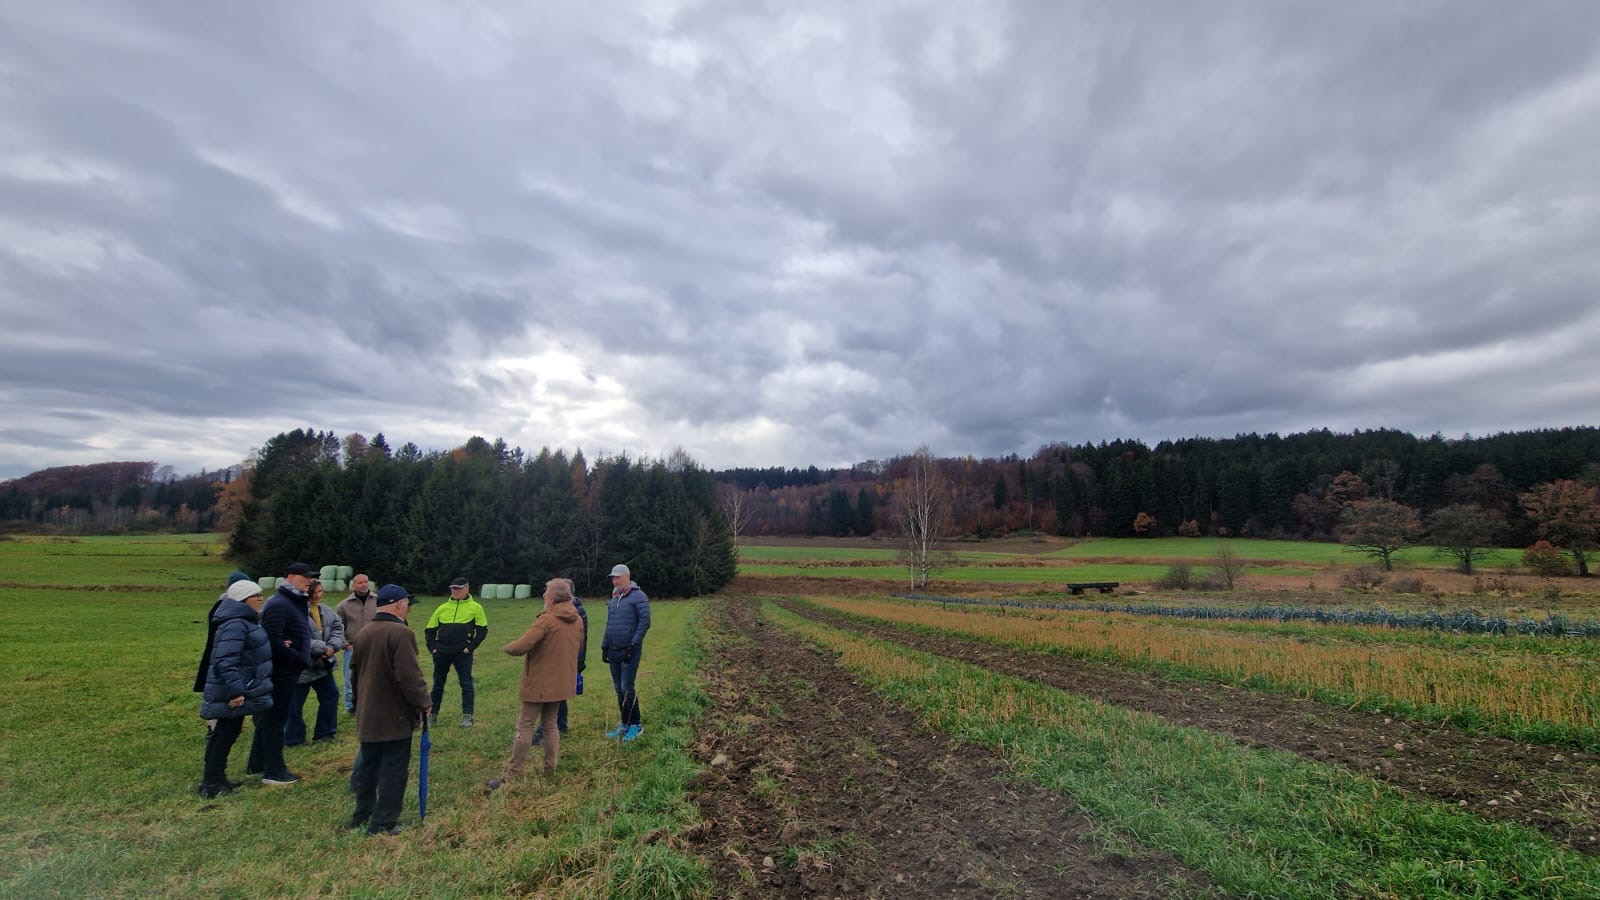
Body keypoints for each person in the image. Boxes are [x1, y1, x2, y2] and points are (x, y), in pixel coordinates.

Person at [485, 578, 584, 792]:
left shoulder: (547, 620)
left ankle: (513, 775)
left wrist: (507, 647)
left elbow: (522, 646)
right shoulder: (577, 619)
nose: (543, 596)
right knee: (550, 724)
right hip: (561, 683)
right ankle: (550, 768)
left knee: (525, 725)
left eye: (545, 592)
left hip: (539, 683)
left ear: (551, 597)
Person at [350, 584, 431, 837]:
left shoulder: (364, 632)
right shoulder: (400, 633)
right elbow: (408, 676)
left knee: (368, 766)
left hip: (368, 712)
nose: (408, 608)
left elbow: (354, 673)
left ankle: (362, 813)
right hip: (393, 714)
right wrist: (424, 702)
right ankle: (384, 822)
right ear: (398, 604)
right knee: (393, 768)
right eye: (407, 603)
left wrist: (356, 703)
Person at [197, 580, 273, 798]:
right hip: (231, 690)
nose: (261, 598)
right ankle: (211, 783)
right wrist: (236, 691)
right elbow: (225, 660)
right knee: (223, 734)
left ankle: (218, 778)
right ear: (242, 599)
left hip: (238, 686)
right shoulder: (236, 624)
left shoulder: (243, 621)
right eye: (255, 595)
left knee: (228, 733)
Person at [247, 561, 316, 785]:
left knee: (270, 717)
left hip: (289, 668)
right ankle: (274, 771)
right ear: (289, 577)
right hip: (282, 670)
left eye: (311, 577)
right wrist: (298, 658)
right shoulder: (279, 603)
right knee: (275, 719)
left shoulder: (294, 601)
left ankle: (256, 763)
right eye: (304, 576)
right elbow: (273, 639)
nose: (309, 580)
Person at [286, 580, 345, 745]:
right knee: (294, 704)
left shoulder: (325, 609)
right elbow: (297, 635)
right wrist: (322, 648)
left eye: (320, 591)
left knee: (331, 696)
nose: (318, 595)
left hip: (322, 665)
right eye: (315, 592)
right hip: (301, 666)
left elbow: (337, 627)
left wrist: (333, 646)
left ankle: (325, 733)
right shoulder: (295, 611)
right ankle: (293, 738)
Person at [425, 577, 488, 727]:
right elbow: (429, 630)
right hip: (441, 651)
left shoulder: (476, 607)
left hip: (462, 652)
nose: (455, 591)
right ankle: (432, 716)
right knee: (437, 685)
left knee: (466, 684)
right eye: (453, 588)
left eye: (458, 588)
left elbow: (482, 631)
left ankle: (467, 716)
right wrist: (432, 648)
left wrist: (470, 647)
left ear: (466, 589)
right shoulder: (442, 607)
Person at [195, 571, 254, 731]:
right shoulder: (224, 608)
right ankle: (213, 727)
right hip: (222, 655)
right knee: (219, 693)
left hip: (222, 654)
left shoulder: (227, 606)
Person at [600, 564, 650, 741]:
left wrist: (633, 645)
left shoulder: (638, 596)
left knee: (626, 688)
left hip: (630, 651)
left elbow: (645, 622)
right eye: (613, 578)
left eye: (618, 577)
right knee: (618, 689)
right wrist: (604, 646)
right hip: (613, 650)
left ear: (627, 577)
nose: (615, 580)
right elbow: (609, 624)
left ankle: (636, 724)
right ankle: (624, 723)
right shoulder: (614, 599)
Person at [534, 579, 587, 746]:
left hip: (563, 659)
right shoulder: (564, 610)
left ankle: (547, 730)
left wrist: (578, 662)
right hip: (560, 658)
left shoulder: (574, 611)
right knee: (558, 693)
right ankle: (559, 725)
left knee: (552, 693)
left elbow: (579, 639)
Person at [335, 573, 376, 713]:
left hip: (374, 646)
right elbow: (337, 627)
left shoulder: (378, 601)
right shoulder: (343, 606)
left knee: (374, 676)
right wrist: (345, 644)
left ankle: (371, 704)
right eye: (360, 583)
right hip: (353, 647)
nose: (364, 585)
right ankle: (351, 706)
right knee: (351, 678)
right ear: (354, 585)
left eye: (366, 581)